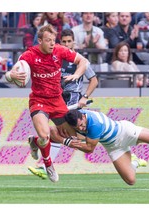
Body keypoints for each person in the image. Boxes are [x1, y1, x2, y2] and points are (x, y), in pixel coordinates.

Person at [5, 24, 89, 183]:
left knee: (72, 135)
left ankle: (34, 141)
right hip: (39, 101)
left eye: (53, 40)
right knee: (45, 135)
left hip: (57, 101)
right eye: (48, 40)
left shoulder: (59, 50)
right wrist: (11, 75)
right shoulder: (29, 55)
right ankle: (48, 165)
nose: (52, 43)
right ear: (40, 41)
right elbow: (10, 75)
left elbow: (83, 61)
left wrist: (76, 75)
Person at [27, 29, 98, 180]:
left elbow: (94, 79)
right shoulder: (57, 56)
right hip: (53, 100)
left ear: (73, 42)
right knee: (47, 134)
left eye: (69, 42)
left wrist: (84, 96)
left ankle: (37, 142)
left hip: (71, 104)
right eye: (63, 42)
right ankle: (47, 164)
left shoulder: (73, 58)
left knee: (75, 136)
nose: (66, 44)